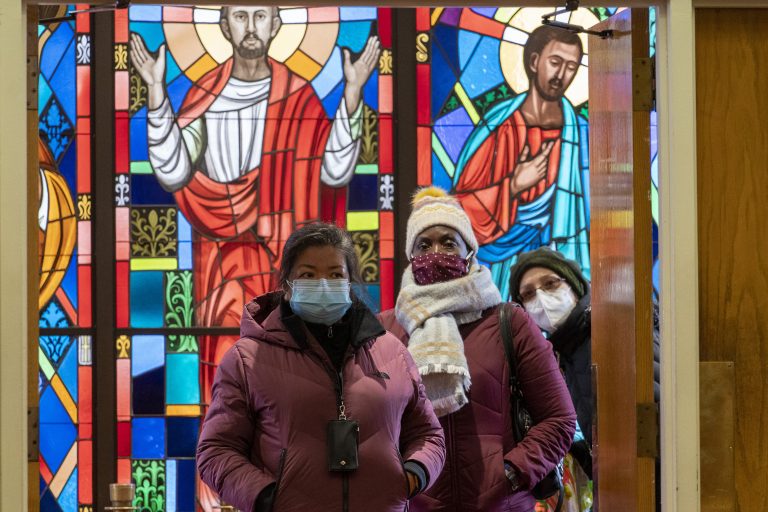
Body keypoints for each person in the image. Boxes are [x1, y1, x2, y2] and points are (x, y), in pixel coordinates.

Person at [129, 6, 381, 407]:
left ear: (275, 25)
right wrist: (157, 92)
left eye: (260, 16)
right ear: (224, 26)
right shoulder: (207, 96)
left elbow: (333, 171)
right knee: (228, 360)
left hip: (288, 265)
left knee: (295, 372)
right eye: (240, 16)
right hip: (222, 259)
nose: (250, 27)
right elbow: (173, 170)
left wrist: (352, 94)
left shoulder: (298, 96)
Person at [197, 223, 445, 512]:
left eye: (335, 274)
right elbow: (216, 450)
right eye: (308, 275)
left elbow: (428, 434)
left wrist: (414, 475)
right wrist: (266, 497)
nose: (323, 284)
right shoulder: (247, 359)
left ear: (350, 282)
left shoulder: (393, 352)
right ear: (287, 284)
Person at [379, 187, 575, 511]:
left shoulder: (509, 323)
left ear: (469, 251)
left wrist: (511, 473)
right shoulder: (387, 330)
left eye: (449, 242)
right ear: (411, 256)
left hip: (502, 504)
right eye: (424, 245)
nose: (436, 252)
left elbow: (559, 419)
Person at [509, 247, 661, 507]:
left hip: (656, 486)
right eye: (529, 294)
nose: (541, 298)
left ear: (575, 285)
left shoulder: (613, 324)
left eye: (550, 284)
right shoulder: (566, 348)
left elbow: (654, 419)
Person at [451, 25, 590, 300]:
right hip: (503, 265)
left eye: (571, 67)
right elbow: (458, 211)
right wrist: (513, 186)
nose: (561, 74)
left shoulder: (582, 133)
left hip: (563, 269)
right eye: (555, 62)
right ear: (534, 61)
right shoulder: (500, 127)